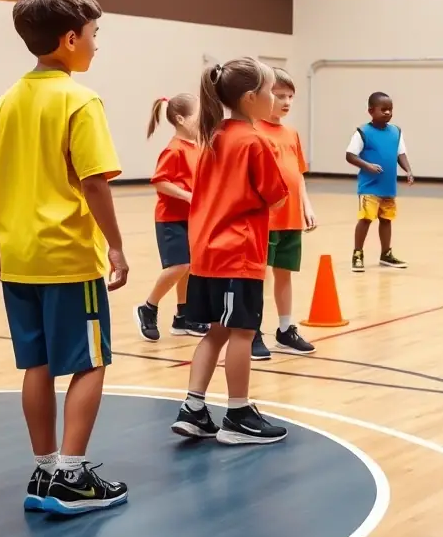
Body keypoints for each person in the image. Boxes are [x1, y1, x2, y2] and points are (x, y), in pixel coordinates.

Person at [0, 0, 129, 515]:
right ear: (70, 39)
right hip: (68, 256)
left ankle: (45, 469)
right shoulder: (81, 100)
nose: (96, 43)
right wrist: (116, 247)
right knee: (90, 363)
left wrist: (0, 243)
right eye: (94, 34)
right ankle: (71, 475)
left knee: (37, 363)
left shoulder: (5, 103)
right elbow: (94, 183)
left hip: (20, 255)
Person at [170, 57, 290, 445]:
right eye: (272, 91)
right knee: (242, 332)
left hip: (207, 252)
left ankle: (193, 407)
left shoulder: (213, 134)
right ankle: (237, 414)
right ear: (252, 98)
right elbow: (275, 196)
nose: (276, 98)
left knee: (217, 331)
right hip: (237, 253)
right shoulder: (254, 141)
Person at [251, 67, 317, 361]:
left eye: (290, 96)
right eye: (279, 96)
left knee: (284, 274)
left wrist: (306, 205)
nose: (286, 102)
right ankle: (251, 330)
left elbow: (298, 174)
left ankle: (285, 329)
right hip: (265, 219)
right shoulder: (254, 130)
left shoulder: (291, 133)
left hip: (291, 217)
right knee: (259, 277)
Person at [135, 93, 209, 342]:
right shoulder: (174, 149)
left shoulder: (197, 147)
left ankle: (183, 317)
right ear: (180, 118)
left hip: (193, 219)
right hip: (171, 219)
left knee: (189, 268)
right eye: (198, 115)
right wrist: (188, 196)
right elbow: (161, 182)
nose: (203, 120)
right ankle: (148, 307)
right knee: (179, 266)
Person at [345, 92, 413, 272]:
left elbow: (401, 153)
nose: (388, 113)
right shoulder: (363, 132)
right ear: (371, 111)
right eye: (383, 109)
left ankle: (386, 254)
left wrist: (408, 170)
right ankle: (358, 254)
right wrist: (367, 166)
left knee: (386, 220)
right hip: (369, 186)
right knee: (366, 219)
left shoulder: (396, 132)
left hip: (388, 186)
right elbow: (350, 155)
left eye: (390, 109)